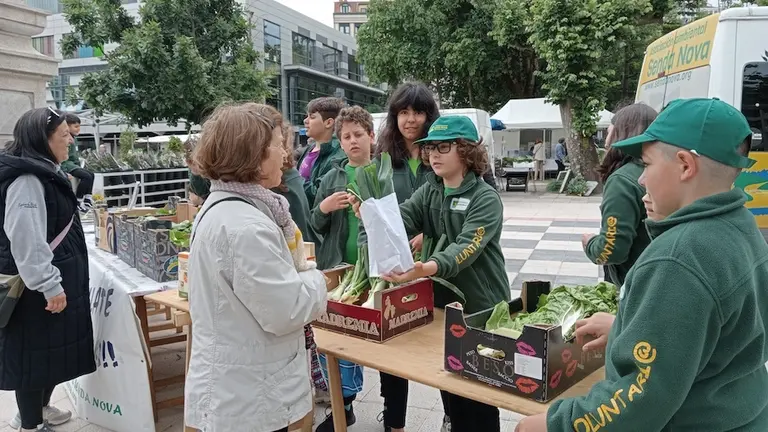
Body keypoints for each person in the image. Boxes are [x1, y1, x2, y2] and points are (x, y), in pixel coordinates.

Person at [516, 98, 768, 431]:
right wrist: (625, 328)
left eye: (647, 164)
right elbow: (714, 335)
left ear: (684, 165)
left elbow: (640, 397)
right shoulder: (740, 226)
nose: (641, 180)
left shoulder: (678, 257)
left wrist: (554, 424)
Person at [354, 115, 510, 432]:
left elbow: (466, 248)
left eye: (443, 147)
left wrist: (424, 268)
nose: (433, 154)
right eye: (430, 148)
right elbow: (401, 221)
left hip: (481, 309)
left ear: (466, 151)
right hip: (441, 305)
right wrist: (373, 215)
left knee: (479, 395)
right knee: (451, 384)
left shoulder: (485, 198)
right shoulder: (430, 191)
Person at [184, 102, 328, 432]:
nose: (285, 154)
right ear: (254, 154)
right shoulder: (246, 226)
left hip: (239, 386)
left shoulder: (227, 210)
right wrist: (316, 279)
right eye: (278, 144)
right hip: (250, 397)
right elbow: (286, 310)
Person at [1, 107, 96, 432]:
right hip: (34, 289)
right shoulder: (27, 180)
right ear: (43, 140)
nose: (69, 141)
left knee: (49, 353)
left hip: (49, 280)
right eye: (63, 137)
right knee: (33, 357)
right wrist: (49, 284)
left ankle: (40, 410)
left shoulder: (43, 171)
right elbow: (26, 238)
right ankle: (29, 424)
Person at [364, 81, 443, 432]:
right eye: (403, 112)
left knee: (440, 342)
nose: (411, 120)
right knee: (392, 342)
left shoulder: (441, 154)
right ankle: (394, 419)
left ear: (430, 116)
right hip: (396, 267)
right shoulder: (383, 160)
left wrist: (428, 233)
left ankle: (451, 413)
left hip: (439, 264)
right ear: (394, 116)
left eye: (419, 112)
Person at [310, 106, 373, 431]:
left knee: (370, 340)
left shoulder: (382, 173)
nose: (352, 142)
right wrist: (323, 208)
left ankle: (391, 413)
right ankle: (343, 405)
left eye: (358, 135)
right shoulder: (331, 177)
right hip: (337, 269)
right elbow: (314, 224)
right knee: (337, 340)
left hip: (373, 272)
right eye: (346, 137)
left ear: (371, 137)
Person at [582, 104, 657, 286]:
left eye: (611, 125)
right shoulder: (655, 171)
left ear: (622, 132)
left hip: (633, 282)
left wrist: (590, 243)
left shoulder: (622, 180)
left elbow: (612, 250)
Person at [297, 97, 346, 205]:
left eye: (312, 117)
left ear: (328, 123)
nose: (305, 121)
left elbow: (319, 195)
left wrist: (293, 179)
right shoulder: (310, 148)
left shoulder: (338, 157)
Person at [61, 114, 94, 213]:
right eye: (75, 126)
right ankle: (79, 200)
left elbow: (75, 156)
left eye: (79, 126)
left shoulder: (74, 138)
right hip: (68, 165)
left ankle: (88, 198)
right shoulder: (66, 139)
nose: (78, 129)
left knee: (91, 174)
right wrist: (64, 170)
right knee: (86, 176)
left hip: (74, 165)